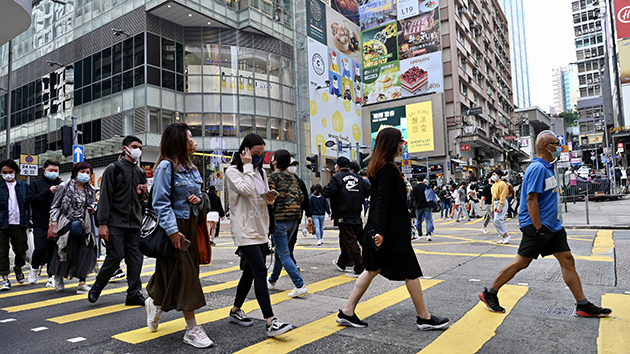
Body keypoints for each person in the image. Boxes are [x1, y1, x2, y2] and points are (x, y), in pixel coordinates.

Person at [479, 130, 612, 318]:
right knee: (522, 262)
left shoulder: (548, 168)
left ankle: (583, 305)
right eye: (555, 145)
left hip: (552, 226)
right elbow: (531, 199)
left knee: (567, 259)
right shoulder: (537, 168)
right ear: (545, 146)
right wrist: (538, 228)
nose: (559, 148)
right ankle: (490, 293)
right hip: (538, 226)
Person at [336, 127, 449, 330]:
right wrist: (380, 232)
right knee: (410, 272)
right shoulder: (387, 168)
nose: (402, 145)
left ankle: (347, 312)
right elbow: (383, 201)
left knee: (371, 269)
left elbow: (381, 201)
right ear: (391, 144)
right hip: (390, 232)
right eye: (400, 141)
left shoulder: (379, 166)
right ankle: (424, 317)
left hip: (384, 229)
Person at [144, 123, 213, 348]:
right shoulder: (165, 167)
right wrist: (173, 232)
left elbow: (201, 196)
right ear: (178, 141)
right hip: (175, 226)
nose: (194, 140)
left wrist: (199, 200)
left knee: (174, 273)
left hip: (190, 224)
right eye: (190, 136)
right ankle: (192, 328)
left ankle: (156, 303)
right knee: (187, 274)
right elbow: (160, 202)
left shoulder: (192, 168)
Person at [225, 133, 293, 337]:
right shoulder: (232, 172)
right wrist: (247, 167)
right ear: (244, 152)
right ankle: (271, 321)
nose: (259, 159)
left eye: (262, 155)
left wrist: (270, 198)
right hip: (245, 230)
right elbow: (246, 190)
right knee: (260, 272)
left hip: (260, 227)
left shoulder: (261, 172)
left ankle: (235, 310)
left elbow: (260, 198)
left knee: (249, 272)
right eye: (255, 154)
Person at [89, 136, 148, 306]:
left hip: (135, 223)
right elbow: (105, 197)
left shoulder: (141, 172)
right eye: (134, 146)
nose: (138, 150)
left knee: (136, 258)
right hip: (115, 223)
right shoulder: (113, 169)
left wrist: (141, 192)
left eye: (140, 147)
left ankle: (134, 294)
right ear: (125, 148)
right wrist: (102, 224)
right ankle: (97, 287)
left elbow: (143, 199)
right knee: (115, 256)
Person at [49, 162, 97, 294]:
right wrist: (54, 222)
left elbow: (94, 205)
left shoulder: (90, 189)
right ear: (76, 172)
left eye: (88, 172)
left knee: (85, 252)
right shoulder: (64, 186)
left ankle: (82, 283)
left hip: (85, 225)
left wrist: (93, 209)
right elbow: (55, 205)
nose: (85, 175)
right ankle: (59, 276)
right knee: (64, 251)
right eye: (83, 172)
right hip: (66, 224)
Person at [267, 149, 308, 297]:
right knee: (279, 253)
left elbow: (269, 198)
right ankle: (272, 281)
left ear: (276, 161)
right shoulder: (294, 178)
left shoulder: (272, 177)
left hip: (280, 220)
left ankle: (299, 285)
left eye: (273, 158)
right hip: (294, 220)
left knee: (284, 254)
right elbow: (302, 197)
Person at [323, 156, 371, 277]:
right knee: (350, 238)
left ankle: (359, 267)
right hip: (356, 212)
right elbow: (368, 191)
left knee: (350, 240)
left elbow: (328, 191)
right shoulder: (359, 179)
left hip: (342, 213)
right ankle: (341, 263)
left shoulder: (337, 177)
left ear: (338, 167)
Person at [26, 158, 62, 286]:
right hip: (40, 222)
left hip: (56, 223)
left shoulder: (62, 184)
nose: (53, 172)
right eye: (51, 170)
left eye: (56, 170)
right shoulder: (36, 184)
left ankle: (51, 275)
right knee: (40, 248)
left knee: (53, 250)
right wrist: (49, 192)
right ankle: (34, 269)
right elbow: (31, 199)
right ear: (44, 170)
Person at [0, 159, 30, 291]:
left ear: (15, 172)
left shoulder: (24, 186)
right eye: (4, 172)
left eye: (10, 172)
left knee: (20, 251)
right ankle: (5, 279)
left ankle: (18, 268)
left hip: (19, 223)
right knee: (2, 253)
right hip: (2, 225)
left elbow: (29, 204)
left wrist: (30, 219)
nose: (7, 174)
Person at [286, 158, 313, 267]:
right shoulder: (278, 179)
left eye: (295, 165)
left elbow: (305, 199)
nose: (293, 167)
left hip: (296, 216)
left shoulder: (299, 181)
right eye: (291, 164)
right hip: (282, 216)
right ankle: (290, 261)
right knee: (283, 241)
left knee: (292, 239)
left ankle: (289, 258)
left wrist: (309, 215)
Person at [411, 175, 433, 240]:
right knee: (428, 220)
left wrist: (410, 207)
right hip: (427, 206)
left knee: (419, 220)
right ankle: (429, 234)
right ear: (423, 180)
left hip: (418, 206)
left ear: (417, 180)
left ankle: (420, 234)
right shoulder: (427, 187)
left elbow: (412, 198)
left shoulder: (414, 188)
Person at [491, 170, 510, 244]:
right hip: (496, 202)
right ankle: (503, 236)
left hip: (501, 202)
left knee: (498, 219)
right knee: (495, 221)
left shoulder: (502, 184)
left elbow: (503, 196)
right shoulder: (493, 186)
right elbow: (493, 197)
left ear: (499, 176)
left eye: (494, 174)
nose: (493, 176)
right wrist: (493, 208)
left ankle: (506, 235)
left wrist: (500, 206)